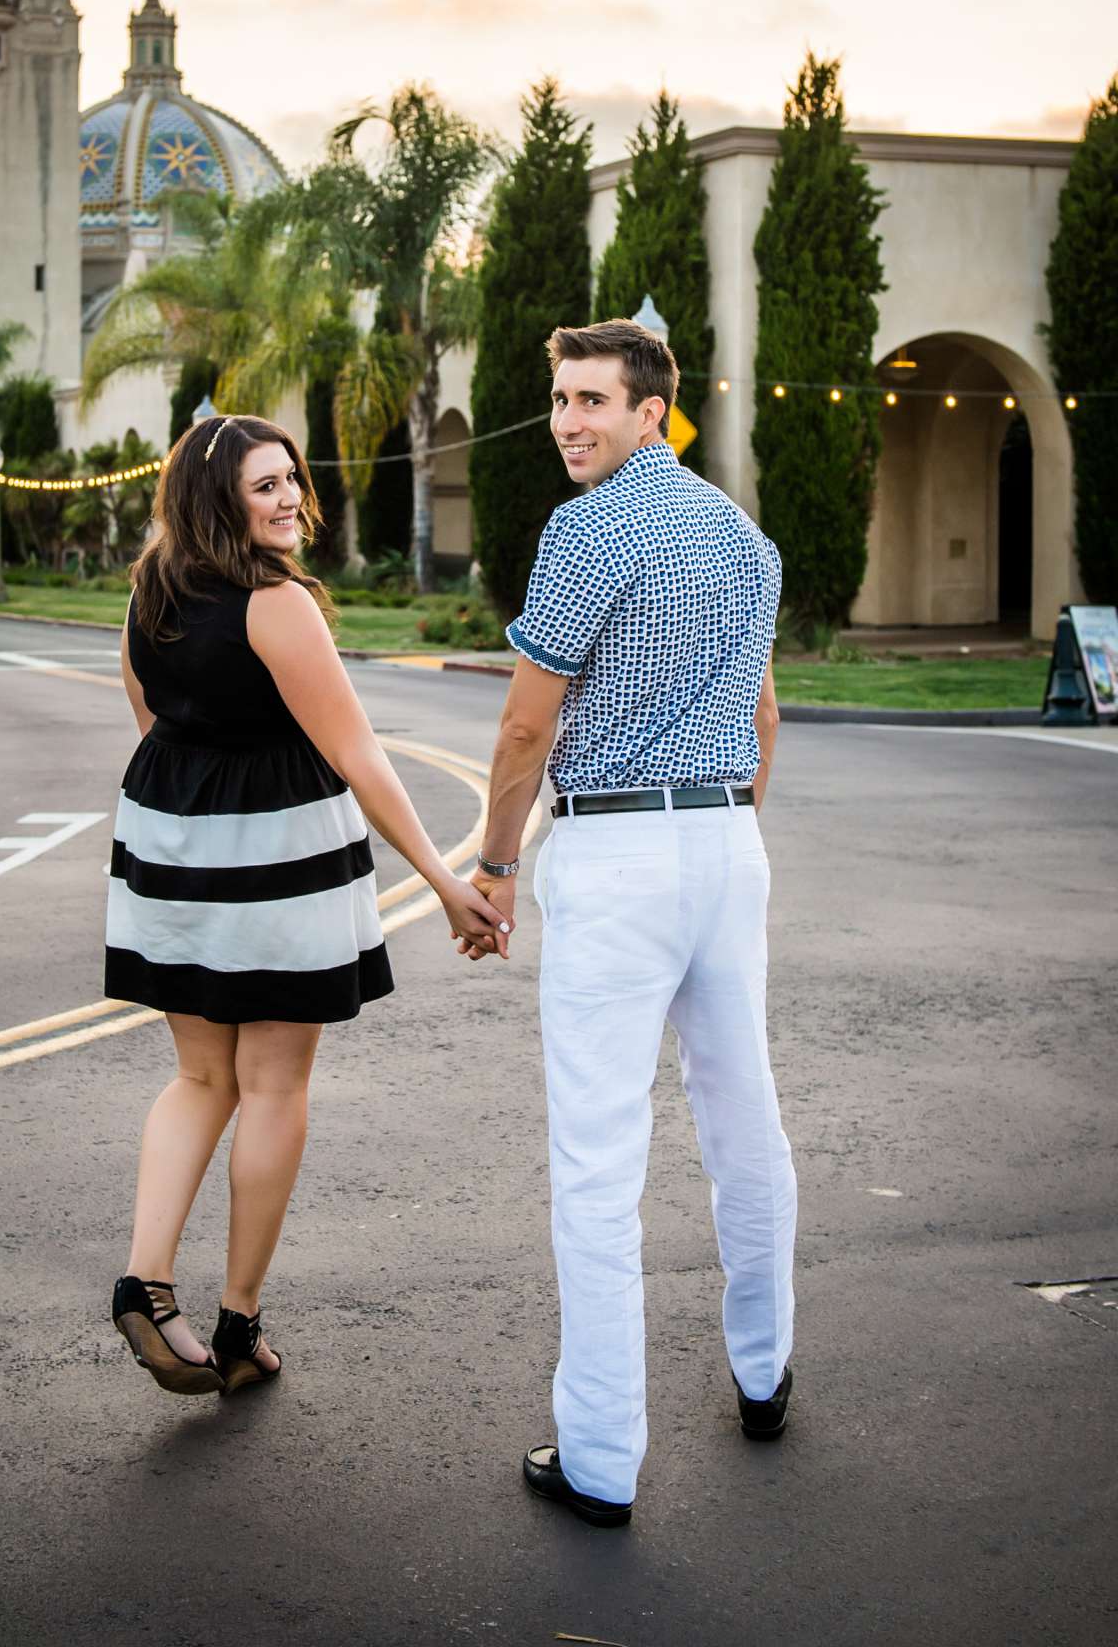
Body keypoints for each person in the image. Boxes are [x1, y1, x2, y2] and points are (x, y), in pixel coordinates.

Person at [465, 318, 795, 1525]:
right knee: (741, 1113)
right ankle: (763, 1374)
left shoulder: (586, 530)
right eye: (559, 400)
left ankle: (599, 1458)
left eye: (593, 401)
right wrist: (720, 827)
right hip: (725, 839)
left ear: (652, 410)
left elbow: (520, 728)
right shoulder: (743, 538)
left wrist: (495, 869)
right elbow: (763, 720)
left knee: (598, 1159)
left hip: (615, 849)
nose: (568, 423)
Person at [108, 412, 504, 1396]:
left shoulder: (148, 593)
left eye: (290, 479)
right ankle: (239, 1322)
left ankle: (144, 1283)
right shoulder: (276, 603)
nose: (289, 499)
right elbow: (357, 751)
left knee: (201, 1079)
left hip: (169, 851)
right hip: (279, 855)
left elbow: (151, 718)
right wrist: (445, 881)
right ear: (219, 502)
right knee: (274, 1087)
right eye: (263, 486)